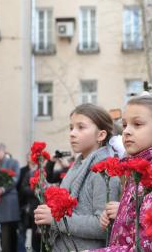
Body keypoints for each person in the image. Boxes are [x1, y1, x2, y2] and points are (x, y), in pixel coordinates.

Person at [93, 93, 152, 252]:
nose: (127, 131)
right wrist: (121, 217)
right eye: (124, 125)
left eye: (137, 124)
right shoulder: (142, 167)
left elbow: (150, 247)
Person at [34, 103, 121, 251]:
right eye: (71, 128)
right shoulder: (79, 165)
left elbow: (102, 227)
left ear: (101, 135)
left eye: (81, 127)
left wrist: (55, 219)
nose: (72, 133)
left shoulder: (104, 171)